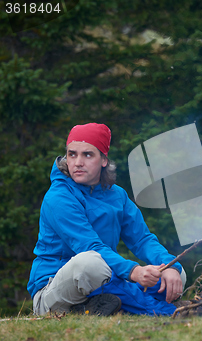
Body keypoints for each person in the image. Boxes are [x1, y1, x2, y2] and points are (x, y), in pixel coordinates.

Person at [27, 123, 187, 316]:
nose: (77, 162)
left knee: (175, 275)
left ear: (103, 160)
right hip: (53, 291)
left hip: (103, 279)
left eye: (87, 154)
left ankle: (98, 307)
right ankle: (156, 309)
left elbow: (142, 239)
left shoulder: (117, 195)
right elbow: (90, 246)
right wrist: (134, 271)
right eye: (72, 154)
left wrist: (170, 265)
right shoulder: (59, 197)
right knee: (90, 263)